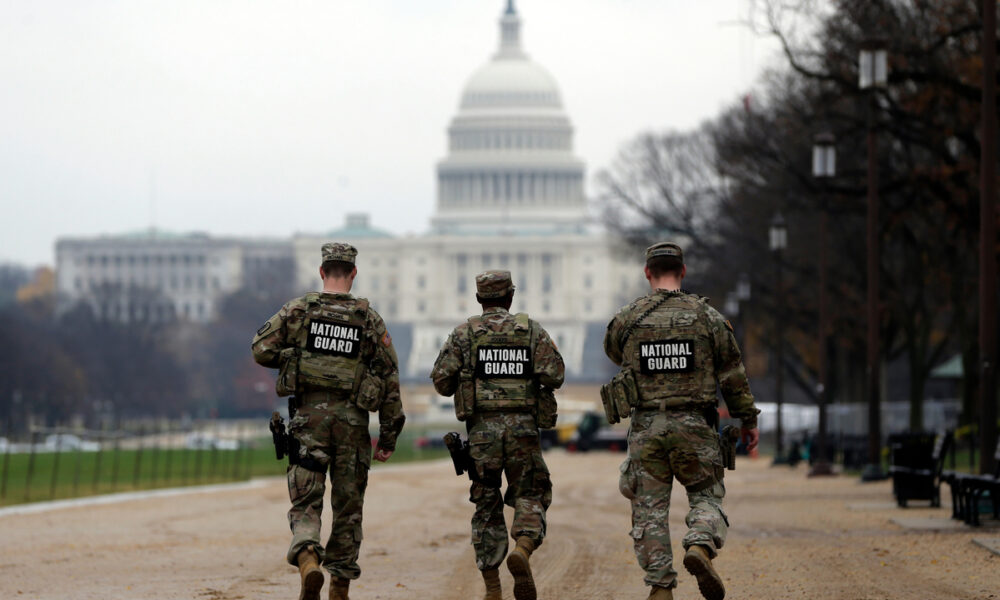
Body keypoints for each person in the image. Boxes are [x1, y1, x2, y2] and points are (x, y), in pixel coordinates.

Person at [602, 242, 760, 600]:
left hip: (647, 428)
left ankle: (660, 587)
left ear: (648, 273)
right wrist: (747, 420)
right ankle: (700, 543)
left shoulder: (627, 319)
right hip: (695, 424)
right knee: (706, 496)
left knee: (649, 512)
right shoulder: (708, 317)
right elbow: (732, 375)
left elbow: (614, 353)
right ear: (683, 271)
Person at [251, 242, 405, 600]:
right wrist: (388, 437)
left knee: (306, 499)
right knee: (348, 509)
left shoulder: (298, 310)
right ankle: (339, 590)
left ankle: (307, 556)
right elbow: (389, 379)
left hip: (309, 422)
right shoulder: (369, 319)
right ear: (353, 273)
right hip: (352, 425)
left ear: (322, 272)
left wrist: (298, 358)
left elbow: (260, 348)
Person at [431, 270, 565, 600]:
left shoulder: (464, 334)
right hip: (523, 431)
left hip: (482, 435)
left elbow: (441, 382)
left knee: (486, 506)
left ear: (479, 299)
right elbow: (555, 375)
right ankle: (523, 548)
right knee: (530, 493)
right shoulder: (531, 331)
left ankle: (493, 588)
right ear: (510, 297)